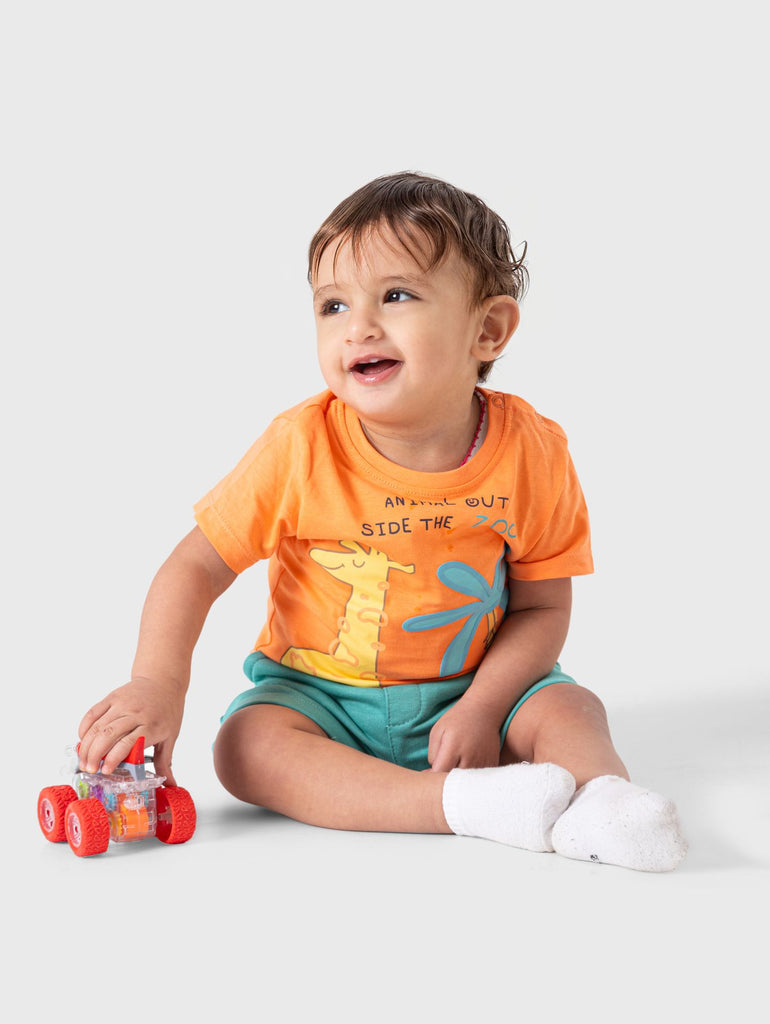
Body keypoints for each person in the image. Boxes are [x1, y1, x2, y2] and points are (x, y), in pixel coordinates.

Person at [77, 171, 687, 871]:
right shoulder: (300, 448)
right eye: (333, 305)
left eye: (396, 296)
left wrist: (484, 708)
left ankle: (608, 806)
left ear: (487, 329)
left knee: (571, 709)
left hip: (480, 689)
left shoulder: (532, 453)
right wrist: (158, 683)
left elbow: (542, 607)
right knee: (244, 749)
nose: (358, 326)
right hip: (320, 700)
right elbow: (195, 567)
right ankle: (462, 806)